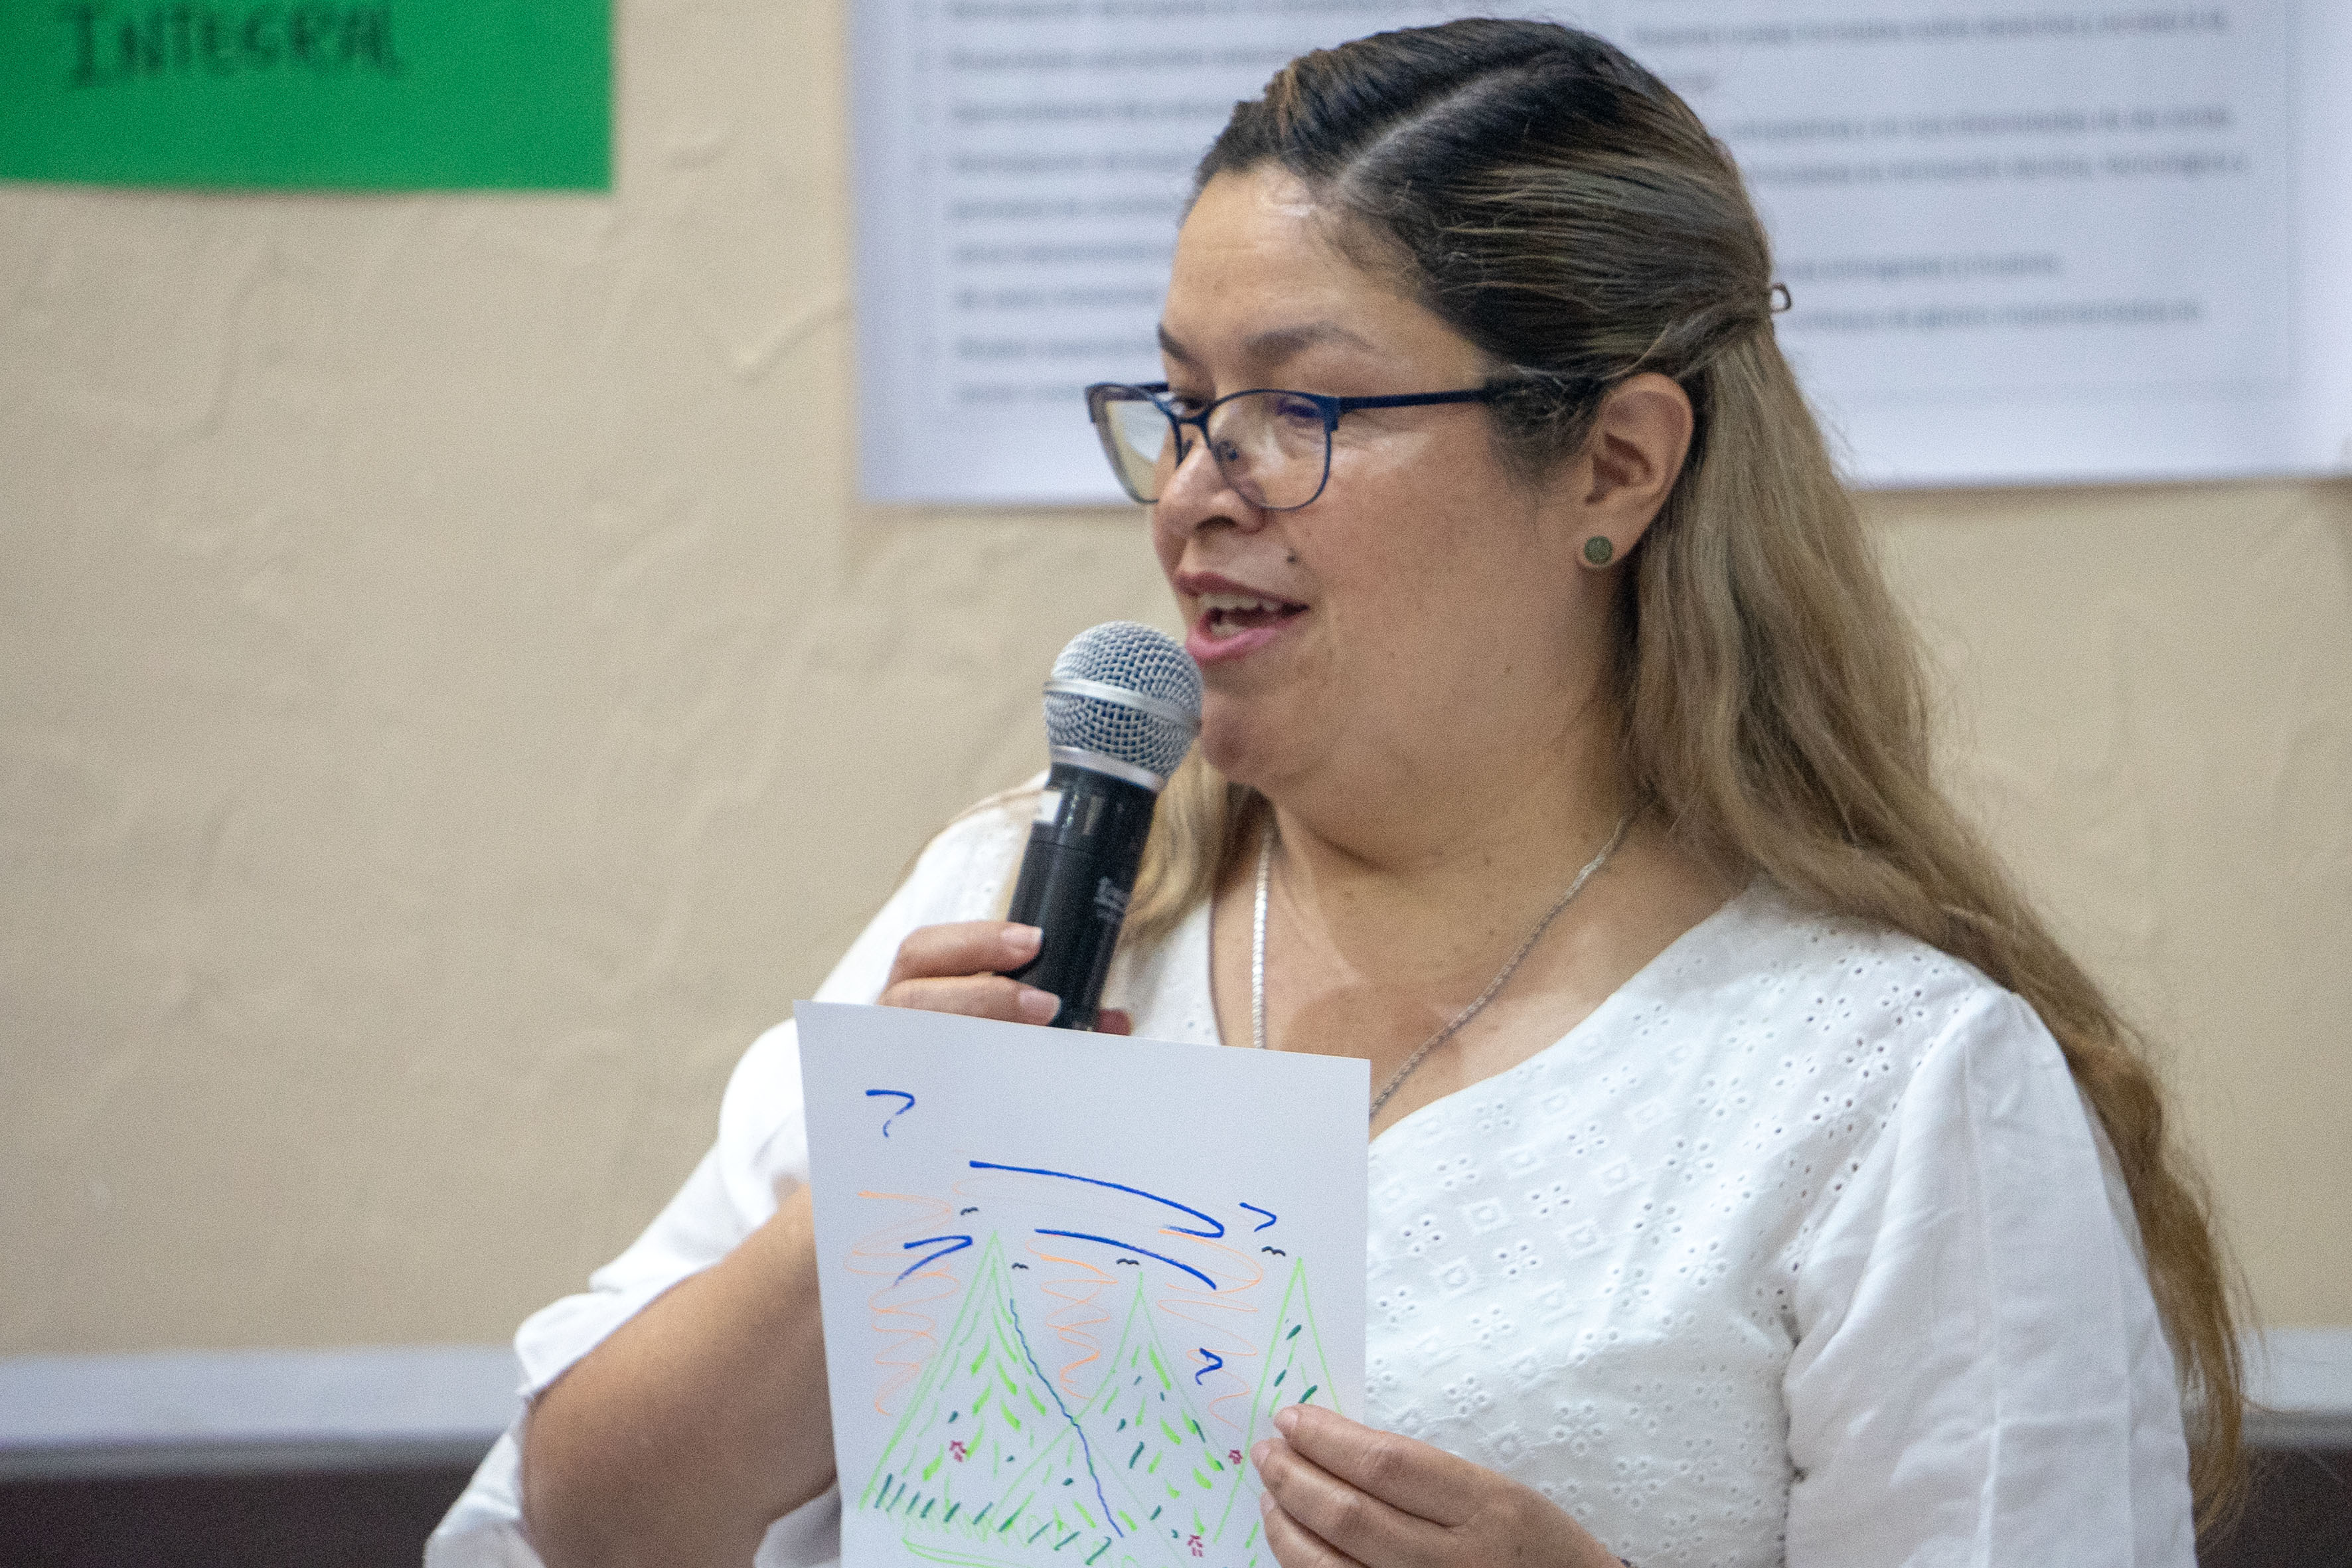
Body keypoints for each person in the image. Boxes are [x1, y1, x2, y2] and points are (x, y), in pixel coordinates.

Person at [430, 19, 2242, 1568]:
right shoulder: (1025, 906)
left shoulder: (1894, 1090)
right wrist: (871, 1212)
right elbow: (560, 1526)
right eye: (1180, 406)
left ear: (1615, 463)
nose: (1193, 494)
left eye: (1298, 412)